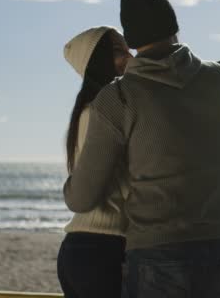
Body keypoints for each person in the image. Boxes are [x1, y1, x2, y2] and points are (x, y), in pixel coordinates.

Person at [62, 0, 220, 298]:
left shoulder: (118, 97)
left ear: (131, 42)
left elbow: (81, 199)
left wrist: (70, 185)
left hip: (157, 250)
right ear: (175, 28)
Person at [57, 26, 133, 298]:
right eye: (118, 52)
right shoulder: (102, 114)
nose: (130, 57)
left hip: (87, 250)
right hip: (103, 252)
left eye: (128, 49)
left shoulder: (90, 111)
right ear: (96, 63)